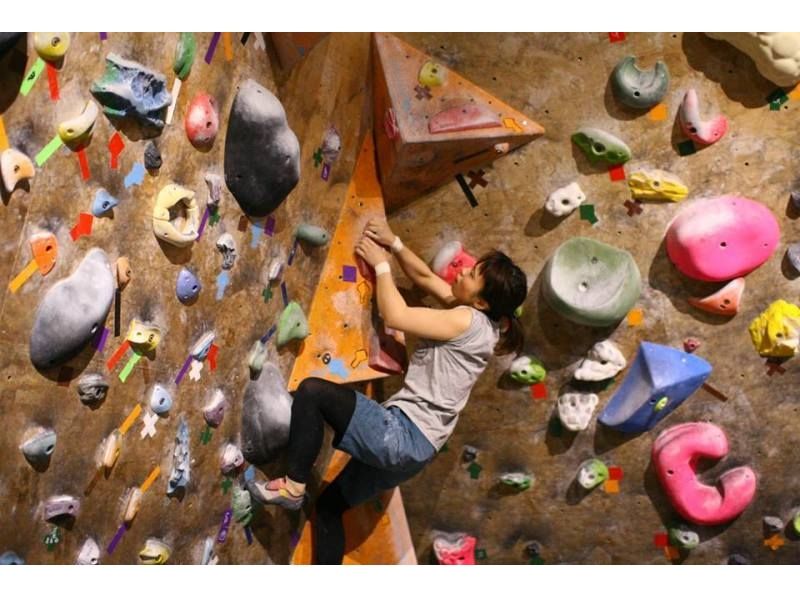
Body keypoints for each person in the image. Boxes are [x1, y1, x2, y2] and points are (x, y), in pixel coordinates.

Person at [246, 218, 528, 564]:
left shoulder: (466, 321)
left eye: (472, 275)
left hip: (402, 434)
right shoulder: (486, 324)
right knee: (331, 508)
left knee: (313, 392)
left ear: (482, 302)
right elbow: (426, 279)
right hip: (420, 450)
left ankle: (293, 486)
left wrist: (380, 265)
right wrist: (393, 244)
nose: (462, 271)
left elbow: (395, 315)